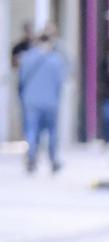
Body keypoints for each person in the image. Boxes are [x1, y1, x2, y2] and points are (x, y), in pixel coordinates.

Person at [18, 25, 68, 174]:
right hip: (50, 101)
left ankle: (31, 158)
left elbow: (21, 80)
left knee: (32, 130)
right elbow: (61, 82)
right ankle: (53, 160)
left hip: (31, 101)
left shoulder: (27, 58)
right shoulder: (56, 60)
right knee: (52, 132)